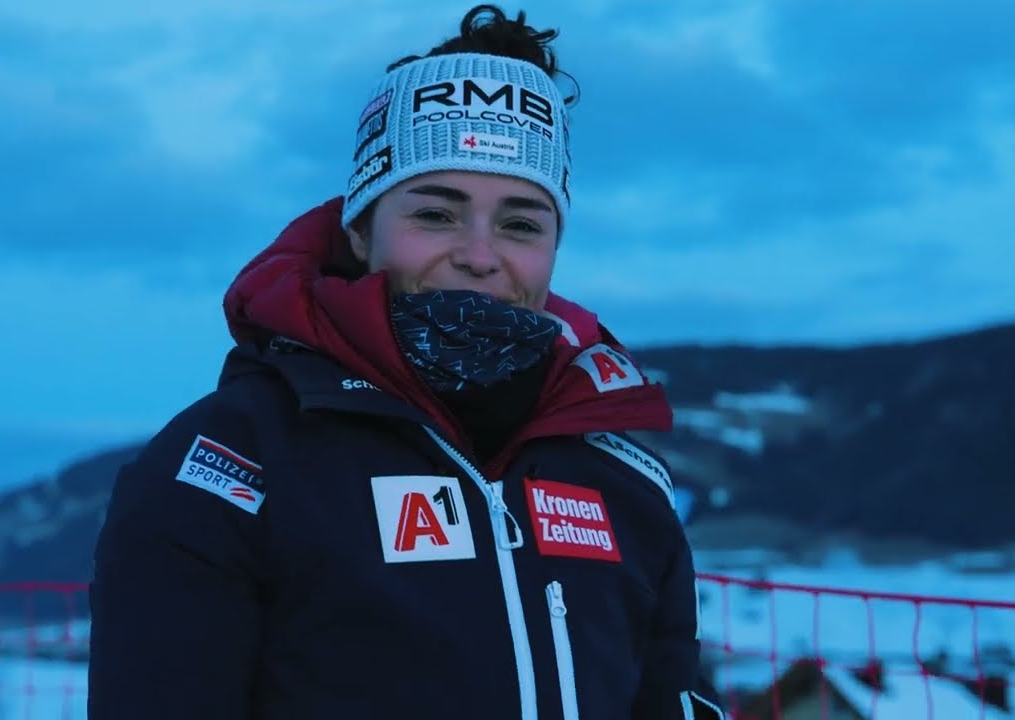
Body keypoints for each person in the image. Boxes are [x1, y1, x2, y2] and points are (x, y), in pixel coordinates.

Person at [87, 5, 723, 718]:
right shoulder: (229, 466)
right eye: (436, 214)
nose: (480, 256)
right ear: (360, 230)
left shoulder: (623, 482)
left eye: (519, 224)